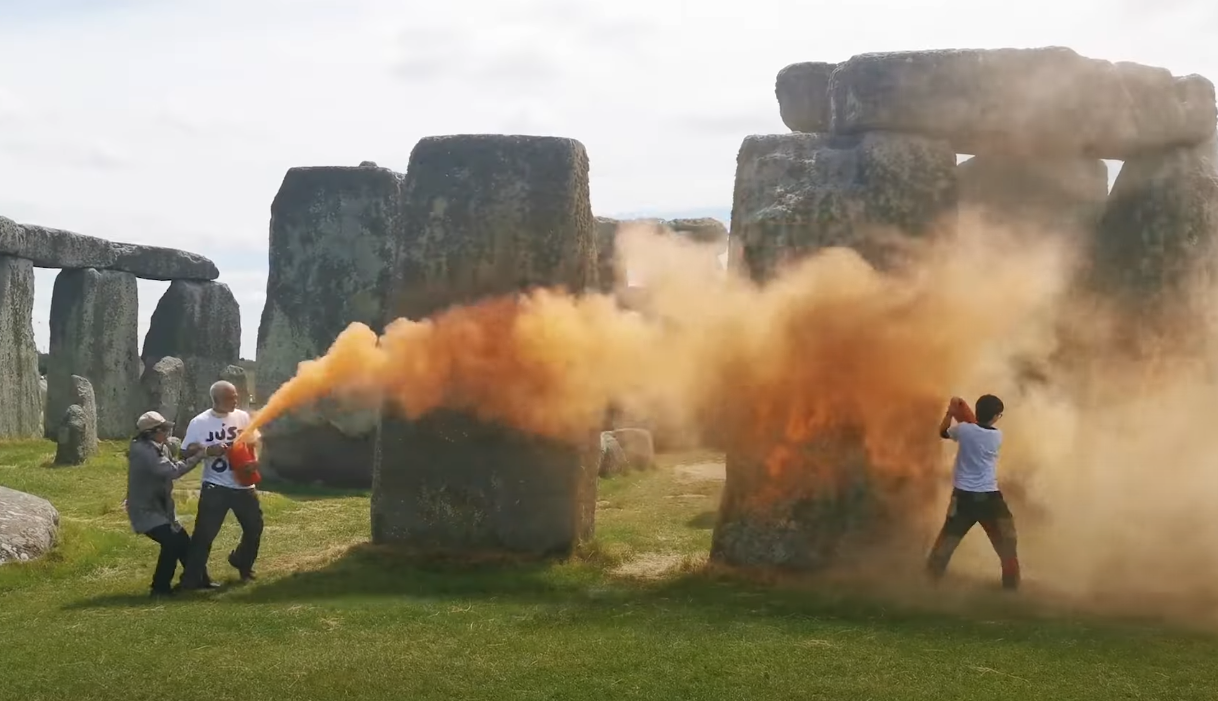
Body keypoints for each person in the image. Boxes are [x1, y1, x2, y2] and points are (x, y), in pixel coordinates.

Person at [926, 394, 1021, 590]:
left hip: (962, 499)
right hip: (989, 499)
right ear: (995, 416)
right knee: (1007, 544)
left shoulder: (963, 431)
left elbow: (943, 432)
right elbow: (976, 426)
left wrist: (951, 411)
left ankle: (928, 585)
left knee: (946, 543)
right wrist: (962, 409)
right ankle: (1011, 591)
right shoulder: (996, 436)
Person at [125, 411, 226, 597]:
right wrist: (202, 454)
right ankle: (159, 588)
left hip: (161, 509)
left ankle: (197, 580)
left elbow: (175, 462)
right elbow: (172, 471)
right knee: (172, 543)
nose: (167, 433)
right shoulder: (143, 451)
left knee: (184, 543)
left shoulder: (158, 447)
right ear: (152, 432)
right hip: (145, 510)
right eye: (164, 429)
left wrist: (197, 450)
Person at [178, 381, 263, 590]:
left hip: (244, 486)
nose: (235, 400)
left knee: (254, 528)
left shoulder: (242, 417)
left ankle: (243, 563)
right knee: (204, 535)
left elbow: (253, 443)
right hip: (215, 486)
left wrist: (256, 461)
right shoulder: (200, 422)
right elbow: (184, 452)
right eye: (230, 397)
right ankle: (191, 580)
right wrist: (208, 450)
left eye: (235, 396)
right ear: (216, 400)